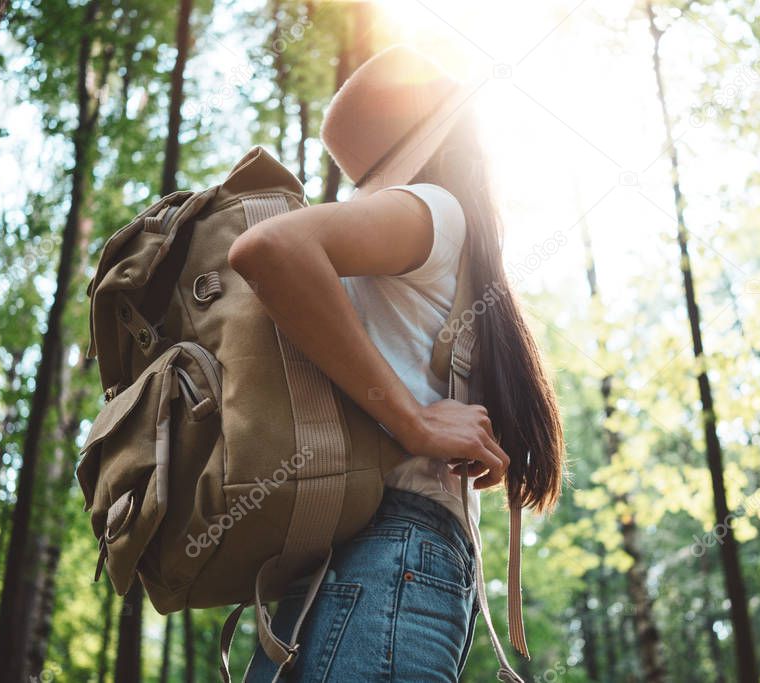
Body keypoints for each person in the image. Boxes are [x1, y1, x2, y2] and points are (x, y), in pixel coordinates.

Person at [228, 45, 565, 682]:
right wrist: (414, 422)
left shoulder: (430, 226)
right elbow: (268, 247)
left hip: (353, 556)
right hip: (393, 554)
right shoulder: (440, 210)